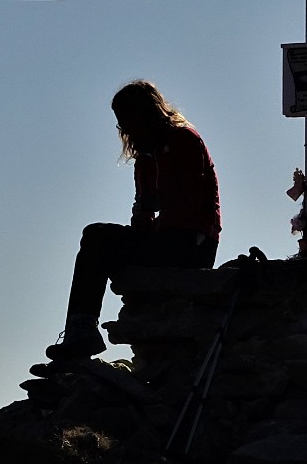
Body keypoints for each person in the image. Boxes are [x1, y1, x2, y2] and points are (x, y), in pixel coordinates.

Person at [46, 80, 221, 361]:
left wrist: (149, 218)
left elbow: (184, 206)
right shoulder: (146, 156)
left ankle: (82, 331)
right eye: (121, 123)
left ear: (147, 113)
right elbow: (145, 211)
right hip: (167, 237)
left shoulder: (184, 140)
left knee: (98, 238)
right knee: (95, 237)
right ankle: (80, 329)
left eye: (128, 120)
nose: (125, 129)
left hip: (192, 244)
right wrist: (142, 218)